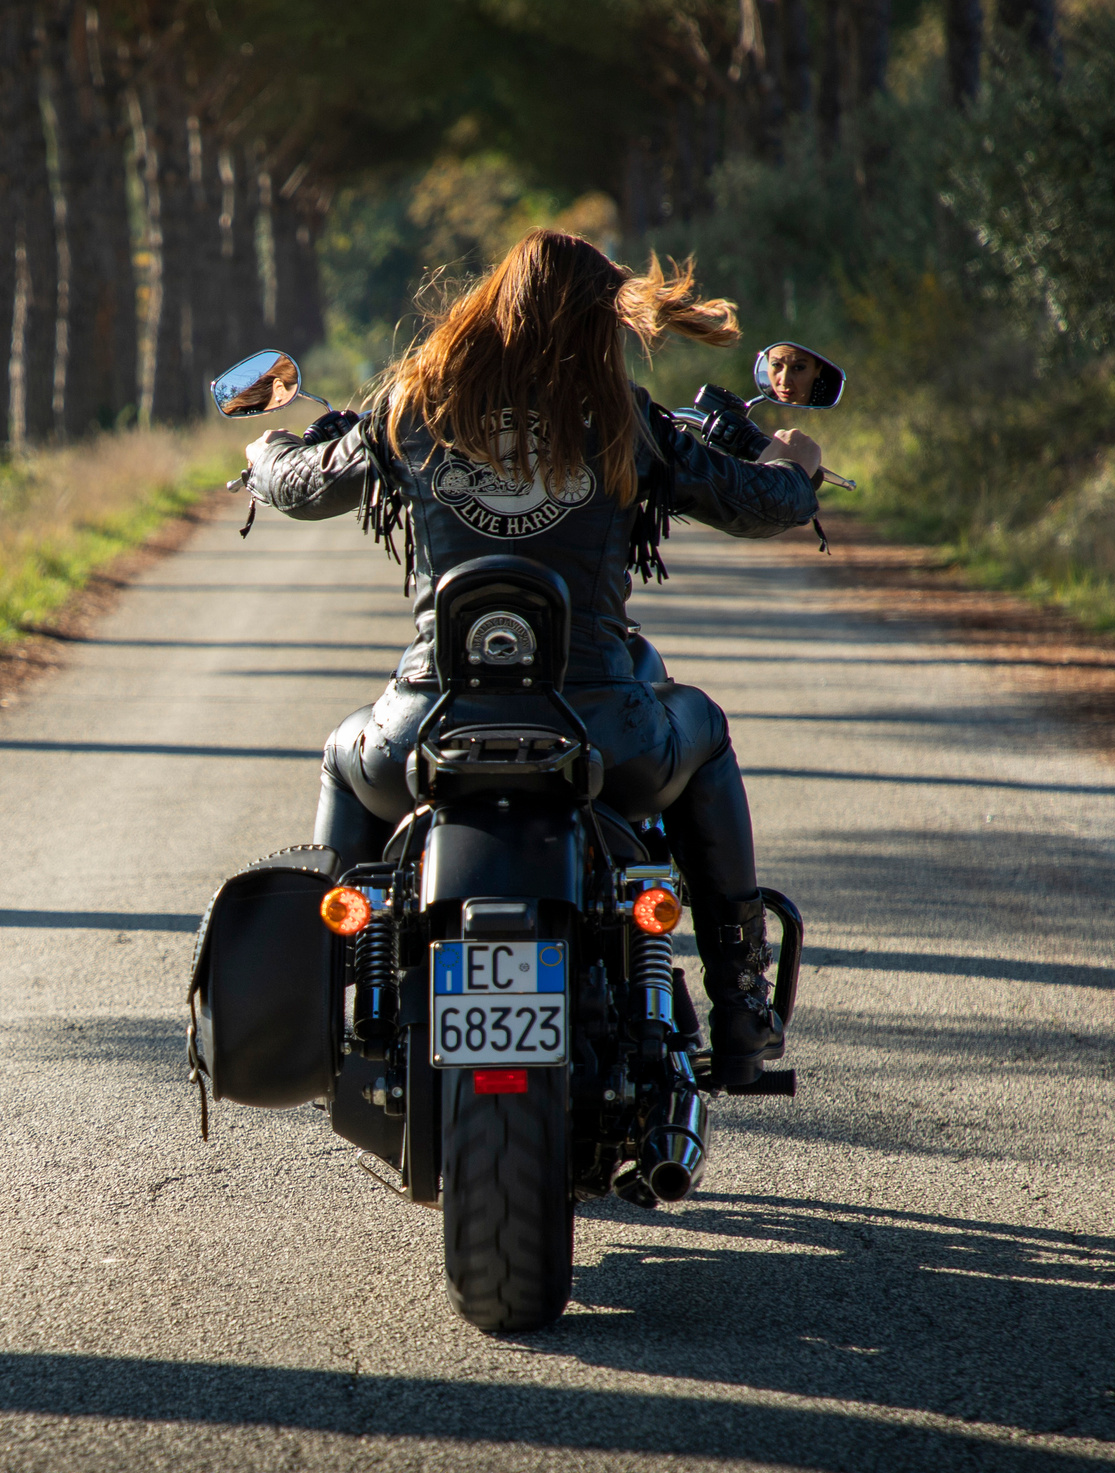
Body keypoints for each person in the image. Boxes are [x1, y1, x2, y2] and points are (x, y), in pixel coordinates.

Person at [242, 230, 820, 1086]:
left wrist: (265, 454)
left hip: (426, 731)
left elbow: (305, 483)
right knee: (703, 726)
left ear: (489, 307)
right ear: (598, 323)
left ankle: (324, 1009)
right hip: (605, 736)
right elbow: (758, 501)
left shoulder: (413, 406)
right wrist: (797, 461)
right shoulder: (625, 421)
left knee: (343, 753)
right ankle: (739, 1004)